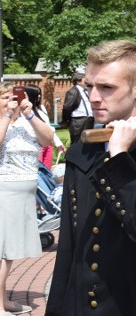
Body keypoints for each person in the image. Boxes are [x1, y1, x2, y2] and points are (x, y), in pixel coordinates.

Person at [46, 40, 136, 315]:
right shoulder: (81, 151)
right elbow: (70, 250)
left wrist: (119, 157)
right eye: (90, 86)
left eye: (106, 87)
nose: (94, 96)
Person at [1, 83, 54, 316]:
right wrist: (5, 115)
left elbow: (47, 139)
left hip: (26, 192)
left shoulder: (28, 119)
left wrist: (29, 114)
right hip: (5, 191)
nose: (10, 100)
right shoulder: (2, 120)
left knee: (10, 252)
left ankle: (4, 300)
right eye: (4, 97)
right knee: (3, 252)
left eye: (13, 96)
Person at [60, 71, 93, 144]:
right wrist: (68, 120)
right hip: (78, 121)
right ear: (78, 81)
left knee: (89, 142)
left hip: (89, 119)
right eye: (84, 79)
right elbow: (67, 107)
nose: (87, 81)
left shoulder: (86, 91)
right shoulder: (73, 91)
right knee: (78, 142)